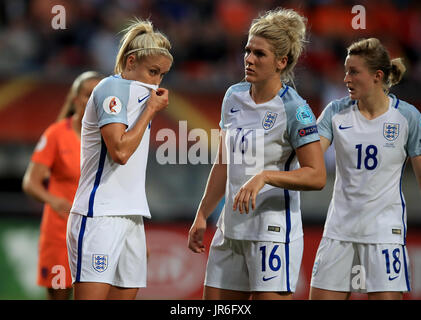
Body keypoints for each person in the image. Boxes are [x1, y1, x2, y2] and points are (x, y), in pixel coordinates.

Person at [188, 8, 326, 300]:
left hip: (272, 232)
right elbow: (224, 163)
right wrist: (202, 214)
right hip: (230, 230)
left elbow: (317, 175)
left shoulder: (295, 109)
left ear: (282, 61)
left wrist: (265, 177)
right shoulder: (233, 96)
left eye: (260, 54)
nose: (249, 59)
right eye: (247, 50)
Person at [66, 19, 172, 300]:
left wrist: (134, 224)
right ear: (130, 62)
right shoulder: (110, 90)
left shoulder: (139, 96)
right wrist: (150, 110)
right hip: (99, 215)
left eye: (161, 74)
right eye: (152, 71)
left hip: (131, 217)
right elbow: (121, 152)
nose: (156, 82)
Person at [309, 38, 421, 300]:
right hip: (339, 230)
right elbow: (310, 159)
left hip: (384, 234)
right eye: (346, 70)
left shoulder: (407, 117)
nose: (346, 78)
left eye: (353, 72)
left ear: (377, 76)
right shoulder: (335, 112)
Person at [22, 71, 103, 300]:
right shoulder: (56, 134)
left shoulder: (110, 139)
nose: (93, 100)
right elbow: (30, 182)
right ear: (76, 99)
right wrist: (53, 200)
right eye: (88, 94)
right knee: (59, 294)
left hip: (96, 231)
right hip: (60, 231)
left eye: (99, 95)